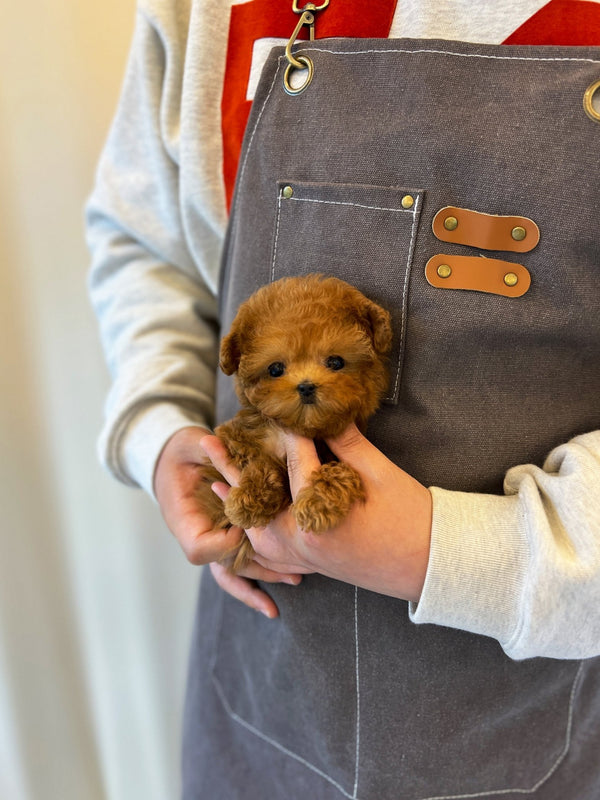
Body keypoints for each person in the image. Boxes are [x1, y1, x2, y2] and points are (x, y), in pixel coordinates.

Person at [87, 1, 600, 797]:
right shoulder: (207, 14)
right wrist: (159, 435)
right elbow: (146, 245)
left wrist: (445, 549)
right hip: (259, 714)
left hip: (540, 732)